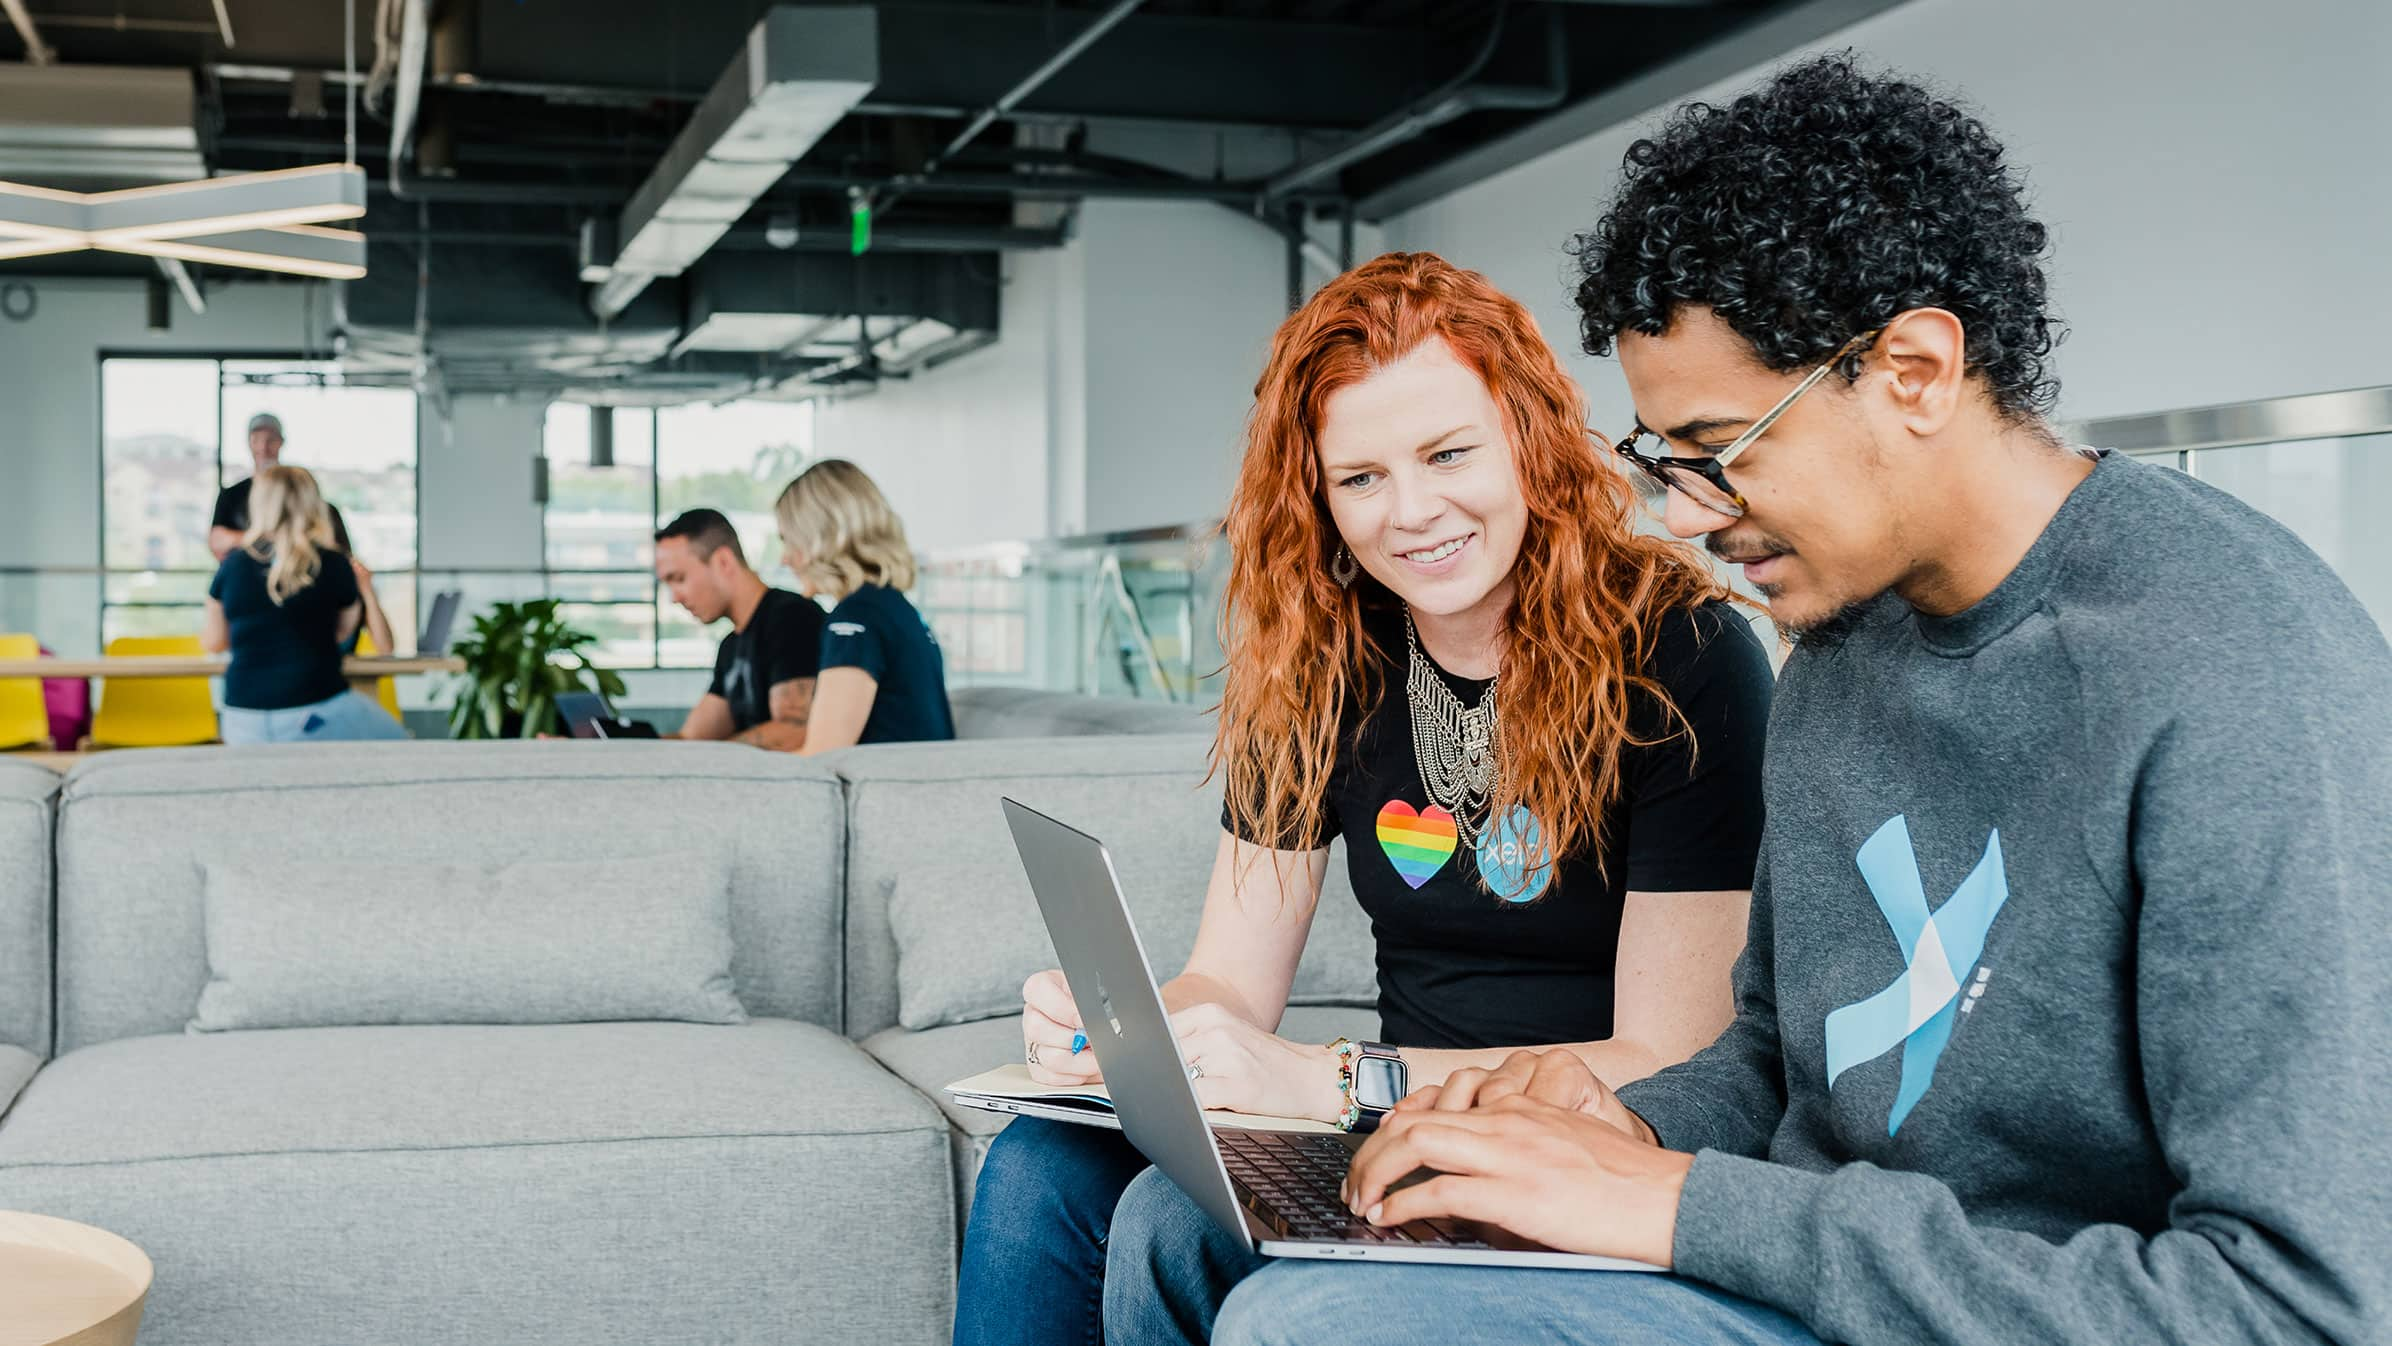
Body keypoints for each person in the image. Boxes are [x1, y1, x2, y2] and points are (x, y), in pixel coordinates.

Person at [1101, 54, 2392, 1346]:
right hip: (1795, 1250)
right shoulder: (1843, 641)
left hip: (1969, 1302)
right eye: (1663, 461)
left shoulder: (2241, 677)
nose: (1685, 516)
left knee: (1311, 1320)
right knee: (1180, 1225)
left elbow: (2295, 1303)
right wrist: (1612, 1122)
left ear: (1916, 370)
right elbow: (1775, 1053)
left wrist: (1679, 1203)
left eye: (1718, 453)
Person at [952, 253, 1778, 1346]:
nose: (1412, 511)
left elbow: (1672, 1054)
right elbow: (1230, 980)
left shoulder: (1683, 652)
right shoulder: (1320, 659)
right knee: (1042, 1161)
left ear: (1528, 440)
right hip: (1381, 1125)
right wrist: (1130, 1034)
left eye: (1447, 453)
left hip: (1580, 1145)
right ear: (1318, 496)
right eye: (1361, 478)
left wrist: (1336, 1078)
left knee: (1163, 1216)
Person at [202, 466, 408, 744]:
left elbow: (215, 642)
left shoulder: (232, 567)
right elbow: (341, 634)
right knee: (398, 741)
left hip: (241, 720)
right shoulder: (334, 565)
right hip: (314, 710)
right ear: (312, 503)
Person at [771, 459, 956, 753]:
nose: (785, 558)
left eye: (789, 540)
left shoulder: (855, 620)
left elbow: (821, 758)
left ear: (822, 538)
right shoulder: (892, 609)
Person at [656, 508, 823, 750]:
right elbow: (691, 739)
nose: (675, 597)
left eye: (679, 578)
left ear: (723, 562)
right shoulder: (731, 646)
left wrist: (718, 758)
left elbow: (797, 728)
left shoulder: (792, 618)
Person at [208, 412, 350, 562]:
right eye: (256, 440)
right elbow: (216, 541)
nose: (263, 447)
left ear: (281, 442)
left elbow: (341, 552)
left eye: (270, 440)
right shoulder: (231, 495)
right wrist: (265, 536)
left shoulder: (314, 502)